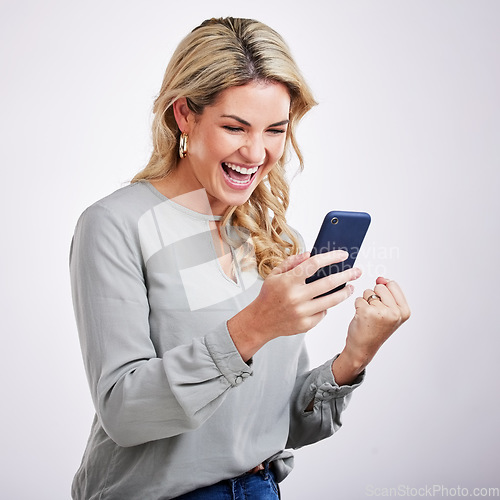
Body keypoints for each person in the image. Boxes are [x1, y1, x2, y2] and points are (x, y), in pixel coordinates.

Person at [69, 17, 410, 500]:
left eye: (275, 129)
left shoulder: (274, 237)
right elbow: (125, 413)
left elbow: (280, 424)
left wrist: (356, 356)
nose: (256, 152)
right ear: (184, 114)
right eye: (235, 127)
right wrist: (255, 325)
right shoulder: (117, 224)